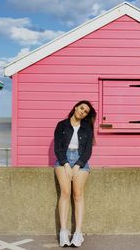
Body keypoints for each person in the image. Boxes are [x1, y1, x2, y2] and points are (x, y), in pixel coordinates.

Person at [54, 100, 96, 247]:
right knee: (65, 193)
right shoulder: (62, 125)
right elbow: (57, 148)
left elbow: (88, 151)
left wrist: (78, 165)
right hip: (63, 159)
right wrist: (65, 164)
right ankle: (63, 232)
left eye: (85, 112)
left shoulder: (87, 129)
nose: (82, 112)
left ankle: (78, 233)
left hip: (80, 160)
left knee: (78, 194)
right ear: (75, 107)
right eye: (81, 108)